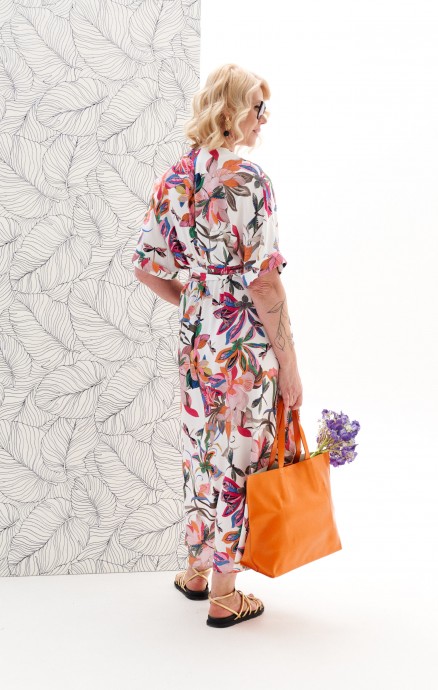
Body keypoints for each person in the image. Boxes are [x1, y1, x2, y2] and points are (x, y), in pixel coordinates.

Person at [132, 63, 303, 627]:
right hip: (243, 343)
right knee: (241, 456)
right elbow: (264, 283)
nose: (264, 119)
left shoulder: (175, 175)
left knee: (202, 447)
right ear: (230, 111)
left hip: (197, 336)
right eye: (257, 106)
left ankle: (196, 571)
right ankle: (226, 596)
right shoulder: (249, 180)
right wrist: (290, 365)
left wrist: (196, 298)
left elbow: (146, 266)